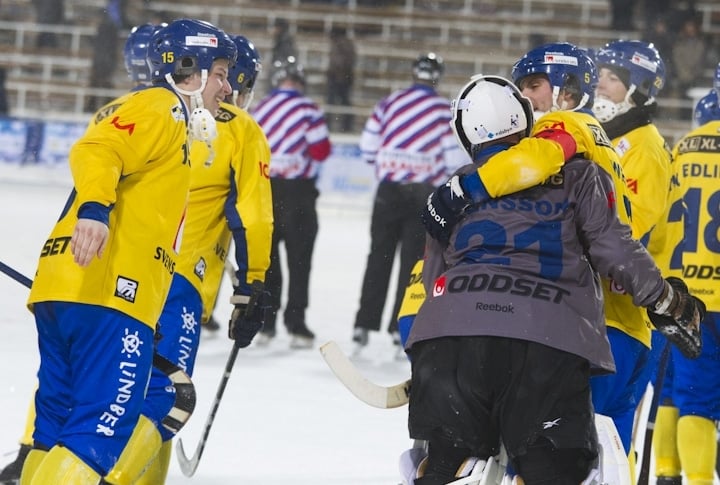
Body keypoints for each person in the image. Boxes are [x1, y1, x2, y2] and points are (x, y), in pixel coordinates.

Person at [404, 73, 704, 485]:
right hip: (547, 339)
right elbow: (614, 249)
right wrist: (667, 300)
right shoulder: (581, 174)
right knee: (551, 471)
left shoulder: (452, 191)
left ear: (464, 133)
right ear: (526, 121)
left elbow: (433, 280)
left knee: (442, 468)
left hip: (450, 340)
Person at [19, 18, 238, 484]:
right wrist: (94, 211)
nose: (227, 86)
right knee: (101, 428)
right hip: (110, 291)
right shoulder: (164, 107)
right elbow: (97, 148)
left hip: (72, 287)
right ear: (189, 68)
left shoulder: (167, 118)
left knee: (54, 430)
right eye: (219, 73)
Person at [0, 22, 168, 484]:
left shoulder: (117, 109)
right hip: (117, 281)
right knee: (106, 419)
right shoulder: (166, 113)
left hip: (68, 273)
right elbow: (98, 164)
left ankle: (29, 461)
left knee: (58, 413)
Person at [129, 31, 272, 484]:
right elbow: (253, 216)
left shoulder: (149, 111)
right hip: (178, 283)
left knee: (104, 388)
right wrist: (253, 284)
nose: (233, 94)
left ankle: (36, 457)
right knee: (166, 397)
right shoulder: (240, 130)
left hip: (121, 274)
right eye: (229, 81)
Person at [590, 38, 676, 460]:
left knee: (599, 446)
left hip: (620, 320)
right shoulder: (616, 139)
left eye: (611, 78)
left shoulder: (643, 146)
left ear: (639, 88)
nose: (599, 86)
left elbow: (623, 237)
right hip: (606, 319)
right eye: (600, 76)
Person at [352, 52, 466, 350]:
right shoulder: (443, 110)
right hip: (422, 193)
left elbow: (367, 147)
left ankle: (363, 323)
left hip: (389, 191)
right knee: (413, 261)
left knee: (378, 257)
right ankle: (397, 325)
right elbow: (453, 158)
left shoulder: (390, 103)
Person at [650, 87, 720, 485]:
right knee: (699, 400)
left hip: (686, 292)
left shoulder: (683, 147)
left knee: (680, 392)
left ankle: (666, 474)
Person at [252, 56, 331, 349]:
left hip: (266, 190)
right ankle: (296, 323)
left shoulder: (261, 108)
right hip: (299, 194)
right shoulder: (309, 110)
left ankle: (266, 322)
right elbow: (321, 150)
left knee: (268, 260)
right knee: (300, 262)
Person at [325, 25, 356, 133]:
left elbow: (341, 63)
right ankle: (344, 126)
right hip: (341, 77)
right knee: (339, 102)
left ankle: (343, 126)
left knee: (338, 102)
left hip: (340, 78)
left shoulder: (342, 44)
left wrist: (335, 74)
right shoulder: (344, 44)